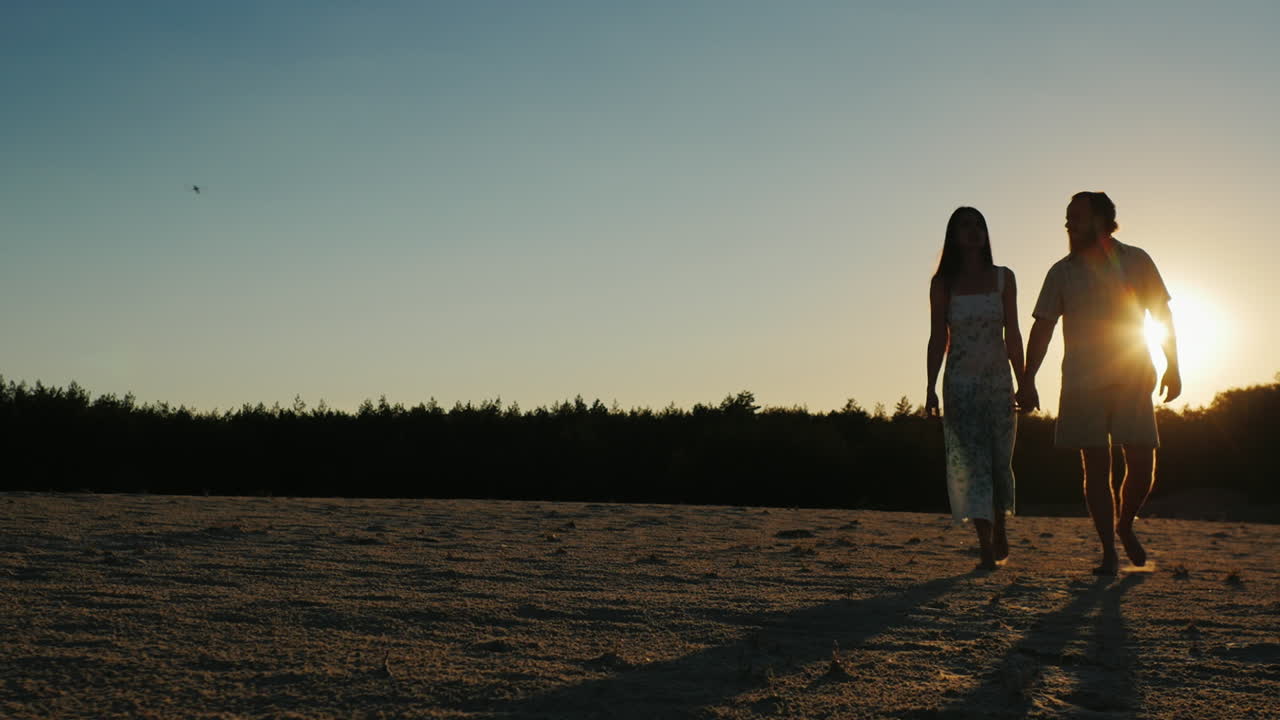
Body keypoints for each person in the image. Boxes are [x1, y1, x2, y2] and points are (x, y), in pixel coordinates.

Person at [1019, 191, 1181, 575]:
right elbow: (1042, 327)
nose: (1069, 223)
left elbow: (1161, 312)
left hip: (1132, 369)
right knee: (1095, 465)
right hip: (1081, 378)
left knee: (1141, 460)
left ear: (1104, 220)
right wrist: (1026, 379)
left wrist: (1173, 363)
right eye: (1067, 216)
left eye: (1077, 216)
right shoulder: (1061, 271)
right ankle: (1108, 549)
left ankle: (1126, 523)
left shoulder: (1136, 259)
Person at [926, 207, 1025, 570]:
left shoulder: (1004, 278)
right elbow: (939, 337)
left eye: (979, 225)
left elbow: (1012, 333)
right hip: (960, 384)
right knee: (974, 463)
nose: (973, 231)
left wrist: (1026, 380)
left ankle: (1000, 524)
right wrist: (930, 386)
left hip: (998, 382)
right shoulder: (942, 284)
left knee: (1000, 461)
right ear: (953, 236)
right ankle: (984, 542)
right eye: (964, 225)